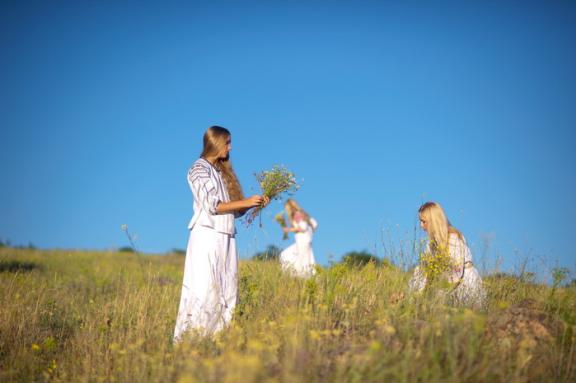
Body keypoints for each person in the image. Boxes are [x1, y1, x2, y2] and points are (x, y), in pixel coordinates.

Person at [174, 126, 269, 341]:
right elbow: (212, 205)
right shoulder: (198, 169)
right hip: (207, 237)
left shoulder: (222, 172)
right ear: (216, 142)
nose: (230, 147)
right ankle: (192, 342)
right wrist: (245, 202)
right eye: (227, 142)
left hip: (227, 238)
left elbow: (233, 211)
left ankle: (218, 344)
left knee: (228, 292)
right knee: (205, 290)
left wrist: (254, 205)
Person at [409, 201, 486, 308]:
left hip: (465, 285)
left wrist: (438, 290)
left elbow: (456, 272)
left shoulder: (453, 238)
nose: (421, 226)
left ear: (433, 221)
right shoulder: (431, 243)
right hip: (447, 285)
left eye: (423, 221)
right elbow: (426, 269)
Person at [279, 199, 318, 278]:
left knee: (286, 255)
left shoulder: (296, 214)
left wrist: (288, 229)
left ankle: (295, 276)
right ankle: (304, 276)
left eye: (286, 208)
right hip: (306, 241)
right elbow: (315, 224)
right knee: (306, 259)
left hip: (302, 241)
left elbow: (302, 227)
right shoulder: (303, 213)